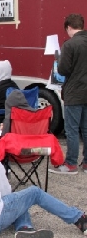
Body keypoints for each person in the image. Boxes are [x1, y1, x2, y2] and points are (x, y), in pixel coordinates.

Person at [49, 14, 87, 174]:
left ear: (69, 27)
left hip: (74, 92)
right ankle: (86, 163)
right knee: (86, 128)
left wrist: (58, 60)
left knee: (71, 129)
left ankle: (71, 163)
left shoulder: (70, 45)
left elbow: (63, 69)